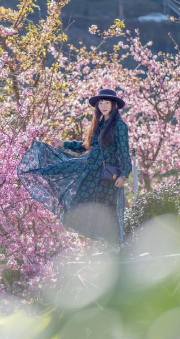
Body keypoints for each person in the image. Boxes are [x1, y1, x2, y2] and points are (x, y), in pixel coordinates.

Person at [17, 89, 132, 255]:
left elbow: (123, 151)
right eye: (100, 102)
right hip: (89, 169)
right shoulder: (98, 125)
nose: (103, 105)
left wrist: (124, 174)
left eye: (107, 102)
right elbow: (85, 146)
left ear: (114, 105)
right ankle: (102, 244)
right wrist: (64, 144)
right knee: (81, 204)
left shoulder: (120, 127)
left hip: (108, 175)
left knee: (107, 207)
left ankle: (114, 247)